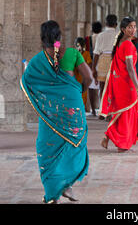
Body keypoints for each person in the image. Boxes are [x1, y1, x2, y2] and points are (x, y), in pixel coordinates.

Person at [20, 20, 93, 204]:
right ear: (60, 36)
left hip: (51, 112)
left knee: (47, 147)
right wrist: (77, 91)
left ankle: (53, 194)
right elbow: (89, 77)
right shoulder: (71, 53)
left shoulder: (37, 61)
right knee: (74, 145)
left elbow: (27, 81)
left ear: (41, 38)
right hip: (73, 106)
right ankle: (67, 185)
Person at [99, 17, 138, 152]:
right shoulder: (128, 45)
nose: (133, 29)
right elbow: (130, 68)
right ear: (123, 29)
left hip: (120, 82)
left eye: (134, 26)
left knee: (124, 112)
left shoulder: (121, 43)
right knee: (127, 113)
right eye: (130, 27)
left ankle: (108, 136)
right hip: (126, 84)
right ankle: (122, 144)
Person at [92, 14, 118, 106]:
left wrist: (93, 68)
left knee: (102, 87)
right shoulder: (119, 36)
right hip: (115, 62)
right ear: (116, 24)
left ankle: (103, 110)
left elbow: (96, 53)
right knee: (113, 88)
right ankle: (110, 110)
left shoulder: (100, 36)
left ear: (105, 23)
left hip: (102, 61)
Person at [74, 37, 92, 112]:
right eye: (78, 45)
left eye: (80, 45)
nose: (79, 47)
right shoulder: (74, 53)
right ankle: (77, 108)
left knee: (83, 93)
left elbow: (89, 64)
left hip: (83, 76)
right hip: (76, 76)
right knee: (77, 92)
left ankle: (81, 108)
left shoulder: (86, 54)